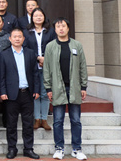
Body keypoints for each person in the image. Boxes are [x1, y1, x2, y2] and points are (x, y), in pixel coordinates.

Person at [43, 18, 88, 161]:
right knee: (58, 120)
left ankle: (77, 149)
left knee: (76, 120)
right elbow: (46, 68)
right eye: (58, 26)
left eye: (63, 26)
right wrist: (48, 88)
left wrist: (83, 86)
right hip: (57, 88)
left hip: (74, 87)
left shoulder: (76, 45)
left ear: (68, 28)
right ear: (55, 29)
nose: (61, 29)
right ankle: (59, 148)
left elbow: (82, 66)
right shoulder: (50, 46)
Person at [0, 27, 40, 160]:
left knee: (28, 123)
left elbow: (35, 73)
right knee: (11, 123)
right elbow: (1, 75)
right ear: (10, 39)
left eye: (19, 36)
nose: (17, 39)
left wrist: (36, 90)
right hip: (11, 94)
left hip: (27, 93)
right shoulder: (4, 54)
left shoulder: (30, 53)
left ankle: (28, 149)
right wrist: (2, 91)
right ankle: (12, 148)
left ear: (23, 39)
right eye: (14, 37)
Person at [24, 8, 55, 130]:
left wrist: (45, 58)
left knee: (45, 93)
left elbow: (54, 46)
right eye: (35, 15)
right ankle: (37, 119)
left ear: (44, 17)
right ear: (32, 18)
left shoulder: (50, 31)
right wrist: (37, 58)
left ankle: (44, 119)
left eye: (40, 15)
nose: (38, 17)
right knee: (36, 93)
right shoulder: (27, 32)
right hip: (33, 66)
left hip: (47, 66)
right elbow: (25, 48)